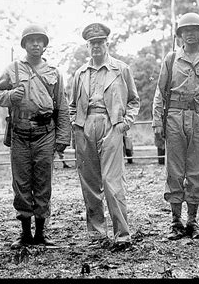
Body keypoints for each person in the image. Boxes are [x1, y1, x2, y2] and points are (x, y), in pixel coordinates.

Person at [0, 24, 71, 249]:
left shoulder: (54, 72)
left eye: (40, 40)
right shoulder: (12, 69)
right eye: (31, 40)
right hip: (20, 133)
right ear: (24, 45)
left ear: (45, 45)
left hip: (45, 132)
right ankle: (25, 233)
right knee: (22, 182)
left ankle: (41, 233)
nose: (35, 44)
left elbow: (62, 107)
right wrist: (10, 95)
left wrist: (63, 137)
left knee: (43, 182)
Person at [152, 13, 199, 240]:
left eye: (195, 30)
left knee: (196, 170)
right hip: (174, 117)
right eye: (185, 30)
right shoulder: (171, 59)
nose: (190, 34)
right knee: (174, 170)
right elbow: (159, 92)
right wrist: (157, 123)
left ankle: (193, 221)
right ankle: (175, 221)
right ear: (180, 34)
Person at [70, 23, 140, 251]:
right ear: (87, 46)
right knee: (90, 183)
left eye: (100, 42)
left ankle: (122, 233)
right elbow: (72, 105)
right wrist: (76, 125)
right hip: (85, 125)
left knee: (112, 182)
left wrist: (124, 123)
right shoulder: (80, 73)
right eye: (92, 43)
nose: (96, 47)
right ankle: (97, 234)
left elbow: (134, 100)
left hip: (111, 125)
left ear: (107, 44)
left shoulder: (121, 69)